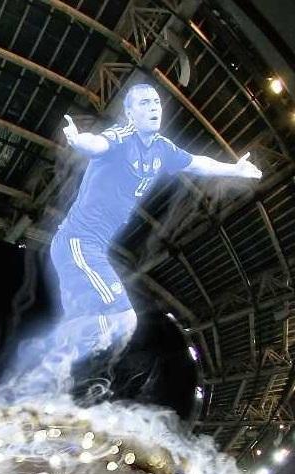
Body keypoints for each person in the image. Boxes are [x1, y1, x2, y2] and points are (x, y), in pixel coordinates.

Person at [20, 81, 262, 388]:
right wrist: (79, 141)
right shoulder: (123, 137)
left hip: (92, 248)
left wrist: (234, 170)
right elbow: (98, 144)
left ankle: (59, 375)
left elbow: (197, 163)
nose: (153, 108)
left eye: (156, 103)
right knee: (123, 319)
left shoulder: (163, 149)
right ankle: (83, 375)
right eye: (144, 103)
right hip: (77, 243)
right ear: (130, 113)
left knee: (98, 322)